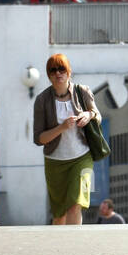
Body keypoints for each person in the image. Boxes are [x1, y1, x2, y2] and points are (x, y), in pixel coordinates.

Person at [32, 53, 101, 226]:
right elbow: (39, 138)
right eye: (53, 70)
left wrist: (88, 114)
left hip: (82, 156)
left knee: (75, 205)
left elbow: (97, 116)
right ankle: (58, 248)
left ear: (69, 72)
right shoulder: (42, 100)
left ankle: (73, 245)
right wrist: (61, 127)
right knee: (59, 214)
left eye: (62, 69)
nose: (58, 73)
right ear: (49, 75)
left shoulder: (82, 92)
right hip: (55, 161)